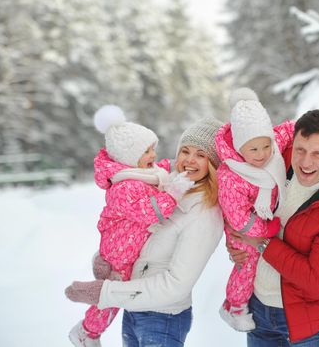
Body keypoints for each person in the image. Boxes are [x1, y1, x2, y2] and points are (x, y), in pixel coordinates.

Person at [65, 117, 224, 347]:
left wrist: (106, 292)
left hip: (162, 319)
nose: (189, 160)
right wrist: (109, 259)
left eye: (201, 155)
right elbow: (132, 232)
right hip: (133, 309)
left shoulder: (205, 213)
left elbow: (176, 285)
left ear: (213, 163)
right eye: (185, 151)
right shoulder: (165, 184)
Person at [230, 109, 319, 346]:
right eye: (301, 150)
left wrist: (261, 243)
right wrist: (237, 241)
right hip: (258, 307)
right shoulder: (279, 160)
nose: (305, 162)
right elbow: (240, 196)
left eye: (318, 153)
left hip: (304, 319)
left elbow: (317, 281)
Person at [216, 88, 294, 332]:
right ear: (240, 148)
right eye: (253, 150)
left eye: (265, 146)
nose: (261, 155)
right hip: (244, 229)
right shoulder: (232, 176)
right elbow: (238, 219)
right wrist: (266, 230)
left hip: (265, 223)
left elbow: (289, 129)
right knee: (246, 265)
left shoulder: (272, 147)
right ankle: (234, 306)